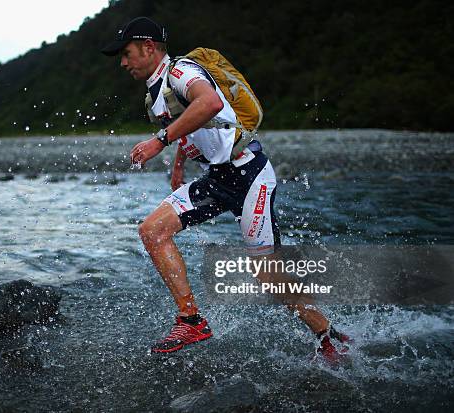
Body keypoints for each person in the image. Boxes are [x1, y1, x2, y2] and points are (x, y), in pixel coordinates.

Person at [101, 17, 351, 361]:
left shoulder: (181, 72)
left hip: (249, 175)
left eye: (127, 53)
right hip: (217, 179)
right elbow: (188, 124)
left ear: (148, 47)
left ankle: (328, 335)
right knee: (152, 231)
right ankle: (191, 320)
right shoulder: (157, 91)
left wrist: (159, 142)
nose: (123, 62)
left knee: (268, 276)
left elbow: (210, 104)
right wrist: (178, 165)